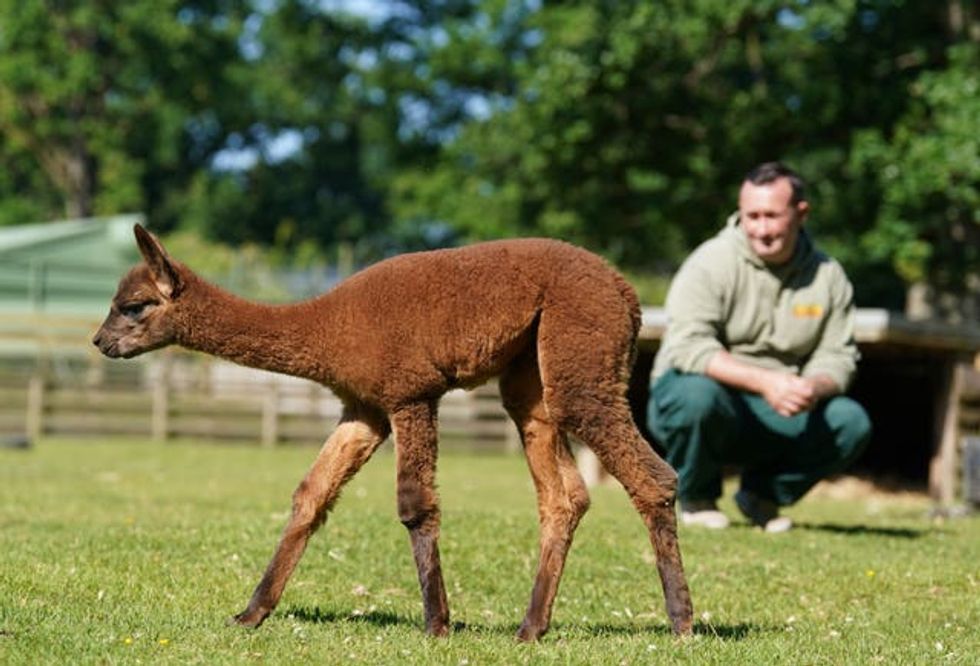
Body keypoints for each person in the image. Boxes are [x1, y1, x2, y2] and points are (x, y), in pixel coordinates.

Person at [647, 162, 872, 532]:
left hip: (779, 409)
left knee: (850, 422)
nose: (761, 229)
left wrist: (811, 387)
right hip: (702, 397)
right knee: (696, 397)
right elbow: (689, 346)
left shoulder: (828, 276)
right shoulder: (711, 262)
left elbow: (840, 357)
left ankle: (761, 495)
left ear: (801, 213)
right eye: (752, 216)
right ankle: (697, 497)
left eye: (772, 216)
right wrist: (767, 382)